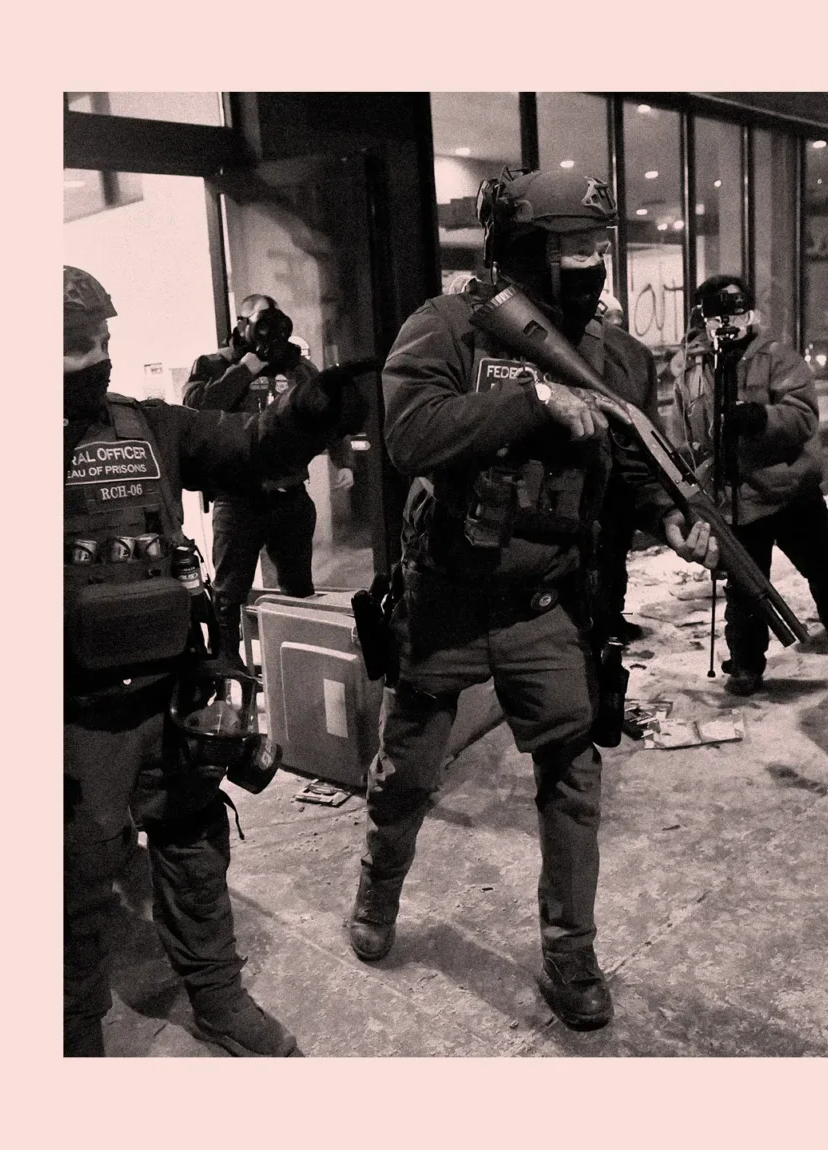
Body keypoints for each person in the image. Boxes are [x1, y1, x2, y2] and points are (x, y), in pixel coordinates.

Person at [345, 168, 719, 1032]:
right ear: (522, 251)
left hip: (543, 608)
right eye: (572, 249)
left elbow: (629, 469)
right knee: (406, 775)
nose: (591, 265)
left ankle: (570, 954)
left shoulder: (617, 354)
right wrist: (533, 402)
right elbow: (409, 436)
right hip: (444, 601)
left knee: (574, 779)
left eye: (599, 248)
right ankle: (377, 889)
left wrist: (668, 516)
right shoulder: (448, 327)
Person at [64, 266, 364, 1056]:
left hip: (172, 692)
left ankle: (219, 999)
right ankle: (73, 1027)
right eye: (72, 344)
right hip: (72, 713)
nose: (95, 359)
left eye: (101, 341)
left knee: (194, 849)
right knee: (73, 879)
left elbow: (245, 447)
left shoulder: (148, 427)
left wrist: (313, 407)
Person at [663, 273, 828, 696]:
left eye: (736, 308)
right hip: (734, 499)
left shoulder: (777, 357)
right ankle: (745, 664)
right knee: (745, 587)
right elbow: (682, 437)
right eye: (716, 311)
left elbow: (802, 416)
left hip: (789, 492)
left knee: (827, 576)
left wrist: (761, 418)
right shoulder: (691, 370)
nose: (728, 320)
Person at [185, 295, 342, 645]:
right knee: (228, 596)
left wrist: (341, 458)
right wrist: (245, 369)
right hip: (236, 499)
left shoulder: (295, 366)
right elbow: (195, 412)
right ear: (242, 325)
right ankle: (227, 667)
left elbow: (328, 407)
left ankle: (299, 662)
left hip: (289, 497)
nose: (269, 332)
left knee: (299, 590)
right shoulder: (212, 364)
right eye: (261, 323)